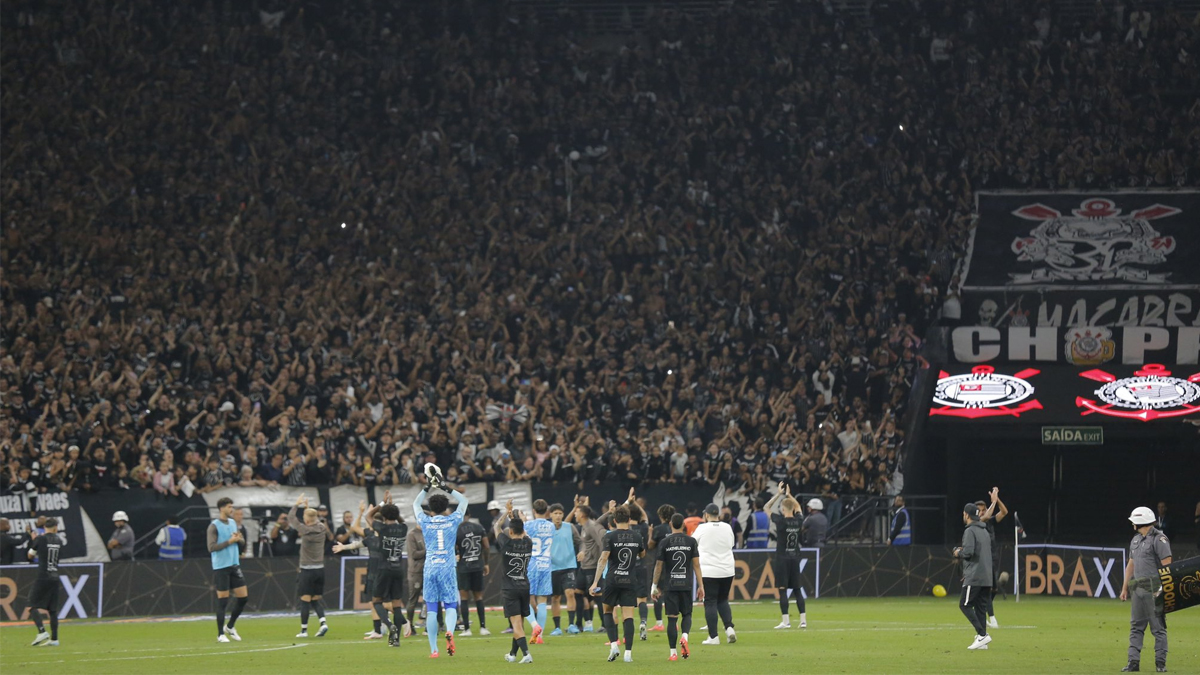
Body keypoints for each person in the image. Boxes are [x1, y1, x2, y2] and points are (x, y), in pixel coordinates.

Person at [337, 496, 409, 645]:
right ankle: (396, 640)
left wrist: (382, 503)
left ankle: (390, 626)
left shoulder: (381, 528)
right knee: (396, 605)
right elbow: (401, 520)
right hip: (398, 568)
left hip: (384, 568)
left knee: (376, 601)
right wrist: (392, 509)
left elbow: (368, 516)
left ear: (383, 517)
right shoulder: (403, 528)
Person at [412, 475, 469, 658]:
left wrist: (428, 487)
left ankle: (434, 649)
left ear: (429, 508)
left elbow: (415, 503)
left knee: (431, 608)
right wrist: (445, 487)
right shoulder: (453, 520)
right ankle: (450, 632)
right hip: (447, 567)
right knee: (451, 604)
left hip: (430, 568)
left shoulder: (424, 521)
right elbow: (464, 500)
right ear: (445, 508)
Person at [1120, 506, 1172, 673]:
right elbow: (1131, 564)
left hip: (1155, 588)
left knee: (1158, 627)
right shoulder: (1135, 540)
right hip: (1137, 588)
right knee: (1136, 626)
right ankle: (1133, 663)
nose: (1132, 524)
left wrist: (1165, 590)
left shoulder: (1159, 539)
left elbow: (1167, 565)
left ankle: (1160, 664)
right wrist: (1125, 587)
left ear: (1139, 522)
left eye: (1133, 521)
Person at [590, 504, 644, 663]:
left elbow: (603, 558)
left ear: (614, 520)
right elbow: (643, 553)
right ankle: (628, 654)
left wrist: (594, 582)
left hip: (613, 579)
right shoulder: (637, 536)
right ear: (629, 519)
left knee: (607, 611)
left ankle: (614, 645)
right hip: (629, 580)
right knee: (628, 617)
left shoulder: (610, 536)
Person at [652, 513, 704, 662]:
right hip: (686, 585)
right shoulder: (691, 541)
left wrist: (654, 586)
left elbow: (659, 566)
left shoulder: (664, 542)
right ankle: (685, 636)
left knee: (672, 619)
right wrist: (701, 585)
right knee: (687, 614)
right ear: (683, 525)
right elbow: (696, 565)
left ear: (670, 525)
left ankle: (673, 653)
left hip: (671, 585)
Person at [493, 500, 534, 663]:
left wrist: (506, 513)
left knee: (516, 624)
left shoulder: (506, 543)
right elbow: (525, 533)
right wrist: (517, 518)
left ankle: (526, 654)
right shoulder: (528, 543)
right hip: (524, 586)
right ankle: (512, 654)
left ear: (510, 531)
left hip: (510, 588)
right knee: (520, 622)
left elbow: (497, 527)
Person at [288, 494, 334, 638]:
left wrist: (297, 504)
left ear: (306, 520)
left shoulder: (304, 530)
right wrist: (308, 508)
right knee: (315, 599)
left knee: (305, 600)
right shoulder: (322, 528)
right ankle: (323, 623)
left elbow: (291, 518)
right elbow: (313, 520)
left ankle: (303, 631)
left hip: (307, 570)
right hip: (319, 570)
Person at [693, 503, 737, 645]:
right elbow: (731, 544)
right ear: (718, 514)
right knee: (723, 600)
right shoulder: (727, 527)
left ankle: (713, 636)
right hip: (727, 569)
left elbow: (692, 544)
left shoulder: (702, 528)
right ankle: (729, 628)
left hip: (709, 570)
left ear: (706, 515)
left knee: (710, 601)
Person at [208, 497, 249, 643]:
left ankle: (230, 626)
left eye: (232, 507)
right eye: (229, 507)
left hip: (234, 564)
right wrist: (229, 542)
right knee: (223, 601)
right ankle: (220, 634)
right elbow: (211, 547)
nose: (231, 509)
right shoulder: (214, 526)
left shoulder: (233, 523)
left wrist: (239, 539)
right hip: (221, 567)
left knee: (243, 598)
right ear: (222, 508)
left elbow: (241, 542)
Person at [766, 483, 807, 629]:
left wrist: (778, 494)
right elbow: (799, 508)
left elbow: (766, 507)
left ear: (783, 509)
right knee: (797, 589)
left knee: (782, 589)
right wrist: (789, 495)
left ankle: (786, 621)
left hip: (782, 559)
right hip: (795, 558)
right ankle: (803, 621)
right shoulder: (798, 520)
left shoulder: (780, 521)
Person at [953, 502, 992, 651]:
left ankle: (982, 634)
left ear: (967, 515)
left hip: (975, 576)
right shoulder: (984, 531)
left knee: (964, 604)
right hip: (986, 576)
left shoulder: (970, 531)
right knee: (980, 608)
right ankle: (983, 642)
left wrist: (958, 553)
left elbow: (968, 554)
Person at [569, 498, 605, 633]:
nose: (575, 514)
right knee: (577, 593)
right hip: (584, 567)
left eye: (577, 512)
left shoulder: (591, 526)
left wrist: (600, 560)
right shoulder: (584, 527)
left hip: (592, 567)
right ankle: (579, 624)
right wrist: (583, 551)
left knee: (597, 596)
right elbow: (586, 543)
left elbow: (601, 543)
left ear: (582, 515)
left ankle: (605, 625)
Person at [27, 517, 64, 646]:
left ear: (45, 527)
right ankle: (54, 639)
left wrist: (34, 540)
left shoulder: (40, 539)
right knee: (52, 610)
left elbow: (30, 556)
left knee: (31, 605)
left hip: (43, 576)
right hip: (54, 577)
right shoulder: (59, 540)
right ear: (55, 528)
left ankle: (41, 631)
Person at [523, 499, 555, 643]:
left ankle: (534, 626)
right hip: (546, 564)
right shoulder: (551, 526)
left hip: (531, 564)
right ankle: (539, 637)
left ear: (533, 511)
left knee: (525, 599)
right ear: (547, 511)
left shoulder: (528, 525)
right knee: (542, 601)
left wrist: (522, 521)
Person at [976, 488, 1008, 629]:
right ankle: (993, 619)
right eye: (980, 510)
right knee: (989, 589)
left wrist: (997, 499)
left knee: (993, 590)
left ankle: (981, 608)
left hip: (993, 558)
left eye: (984, 509)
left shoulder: (990, 522)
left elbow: (1004, 512)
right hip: (983, 561)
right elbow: (986, 516)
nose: (982, 512)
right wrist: (993, 502)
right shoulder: (977, 522)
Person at [547, 503, 581, 636]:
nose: (558, 516)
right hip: (552, 568)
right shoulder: (547, 529)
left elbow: (580, 541)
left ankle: (572, 624)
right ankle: (557, 627)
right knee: (555, 597)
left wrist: (582, 551)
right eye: (555, 513)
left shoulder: (570, 527)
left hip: (569, 566)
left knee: (570, 593)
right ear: (550, 515)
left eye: (560, 513)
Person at [456, 514, 490, 636]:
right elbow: (486, 546)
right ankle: (483, 627)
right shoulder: (478, 527)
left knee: (464, 598)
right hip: (477, 565)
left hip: (464, 567)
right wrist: (486, 563)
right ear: (469, 515)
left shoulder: (457, 530)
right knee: (479, 597)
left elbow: (454, 549)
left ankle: (466, 629)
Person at [646, 504, 676, 633]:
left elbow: (650, 546)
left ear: (661, 516)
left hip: (661, 564)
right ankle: (674, 622)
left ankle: (659, 623)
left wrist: (650, 534)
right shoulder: (675, 528)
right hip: (674, 563)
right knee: (672, 593)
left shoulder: (658, 529)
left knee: (657, 592)